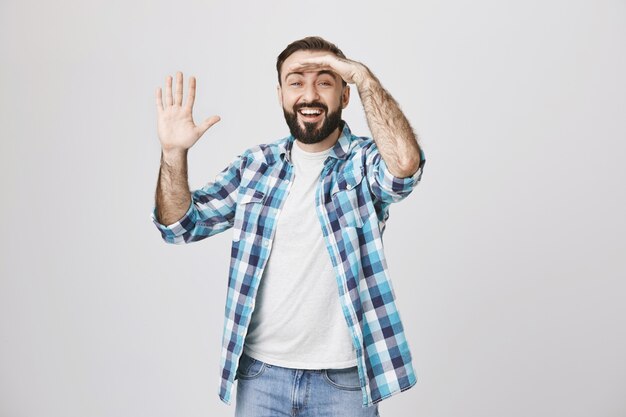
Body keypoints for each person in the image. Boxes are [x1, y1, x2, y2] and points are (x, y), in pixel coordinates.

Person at [151, 36, 426, 417]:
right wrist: (173, 154)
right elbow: (179, 225)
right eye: (296, 81)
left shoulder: (363, 163)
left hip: (343, 380)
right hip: (261, 377)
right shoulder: (255, 166)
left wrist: (364, 78)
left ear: (344, 96)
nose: (309, 94)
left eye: (325, 82)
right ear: (280, 93)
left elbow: (403, 170)